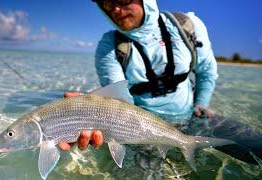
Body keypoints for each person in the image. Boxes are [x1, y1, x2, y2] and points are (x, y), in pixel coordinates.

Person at [59, 0, 262, 163]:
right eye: (108, 4)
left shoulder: (186, 26)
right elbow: (120, 101)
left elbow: (207, 72)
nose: (117, 9)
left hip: (193, 116)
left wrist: (202, 105)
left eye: (123, 0)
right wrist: (89, 110)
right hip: (141, 128)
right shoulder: (108, 46)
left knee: (255, 145)